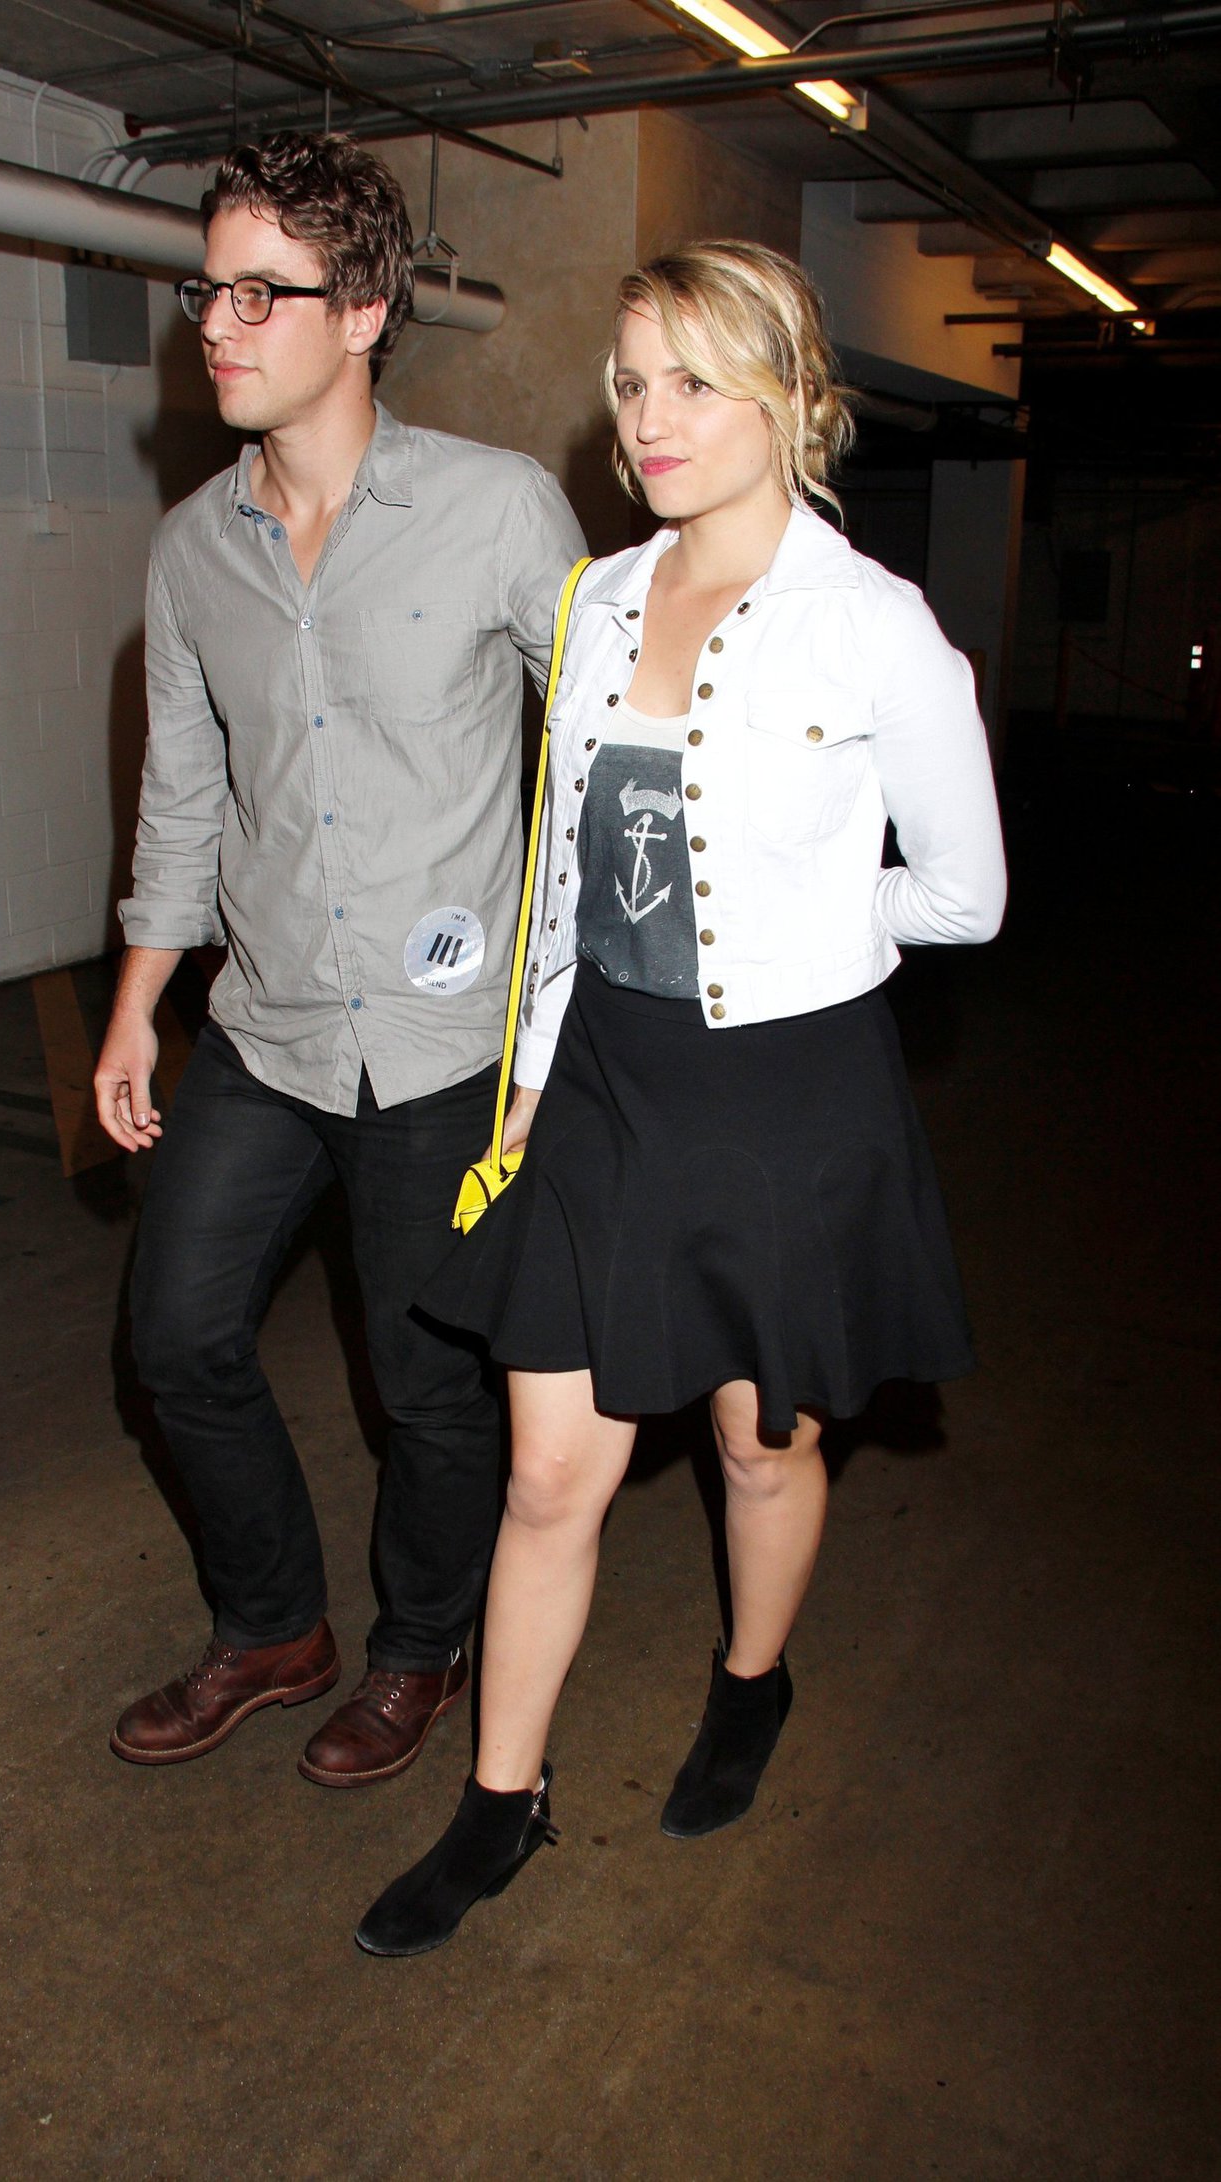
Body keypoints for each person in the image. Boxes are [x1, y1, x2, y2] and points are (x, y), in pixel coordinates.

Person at [355, 240, 1007, 1954]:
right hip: (600, 1085)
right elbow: (564, 879)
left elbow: (963, 895)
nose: (649, 419)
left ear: (791, 398)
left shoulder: (872, 628)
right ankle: (499, 1802)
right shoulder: (594, 599)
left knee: (753, 1438)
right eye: (632, 383)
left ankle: (750, 1678)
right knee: (546, 1474)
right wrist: (524, 1086)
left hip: (785, 1095)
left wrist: (809, 913)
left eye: (694, 385)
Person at [95, 133, 585, 1788]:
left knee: (429, 1392)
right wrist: (137, 1009)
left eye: (263, 293)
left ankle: (416, 1650)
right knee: (175, 1337)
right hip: (265, 1024)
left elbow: (607, 749)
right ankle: (272, 1627)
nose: (216, 326)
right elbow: (181, 799)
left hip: (444, 1047)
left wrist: (585, 1016)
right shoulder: (191, 551)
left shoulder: (496, 510)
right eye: (207, 291)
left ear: (364, 309)